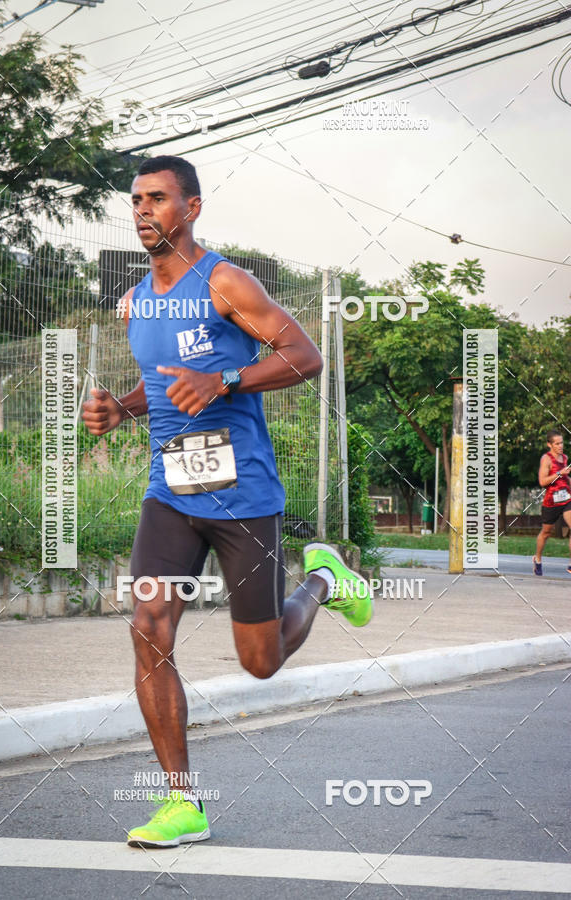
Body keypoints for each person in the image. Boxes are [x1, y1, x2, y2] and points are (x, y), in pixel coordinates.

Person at [82, 155, 373, 848]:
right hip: (172, 491)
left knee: (260, 661)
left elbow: (305, 355)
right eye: (136, 200)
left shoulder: (224, 282)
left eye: (158, 198)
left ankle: (326, 577)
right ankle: (183, 802)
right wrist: (121, 408)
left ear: (192, 208)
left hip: (243, 493)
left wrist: (227, 381)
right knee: (148, 624)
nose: (143, 210)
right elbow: (164, 384)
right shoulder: (136, 301)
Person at [532, 429, 571, 576]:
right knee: (546, 533)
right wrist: (560, 473)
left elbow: (564, 480)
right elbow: (543, 482)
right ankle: (538, 559)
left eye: (562, 443)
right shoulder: (546, 459)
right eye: (557, 443)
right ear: (549, 444)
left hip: (567, 499)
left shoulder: (565, 458)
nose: (560, 446)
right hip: (551, 502)